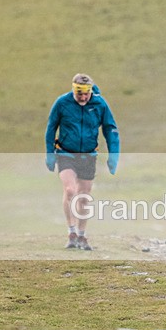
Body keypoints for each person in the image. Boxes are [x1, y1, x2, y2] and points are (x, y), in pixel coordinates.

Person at [45, 73, 120, 250]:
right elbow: (51, 127)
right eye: (79, 93)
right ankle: (71, 232)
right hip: (66, 153)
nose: (83, 97)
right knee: (70, 190)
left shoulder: (99, 104)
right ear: (73, 89)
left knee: (84, 198)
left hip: (88, 156)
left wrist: (114, 155)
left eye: (86, 93)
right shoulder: (62, 103)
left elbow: (110, 129)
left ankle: (81, 235)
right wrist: (50, 153)